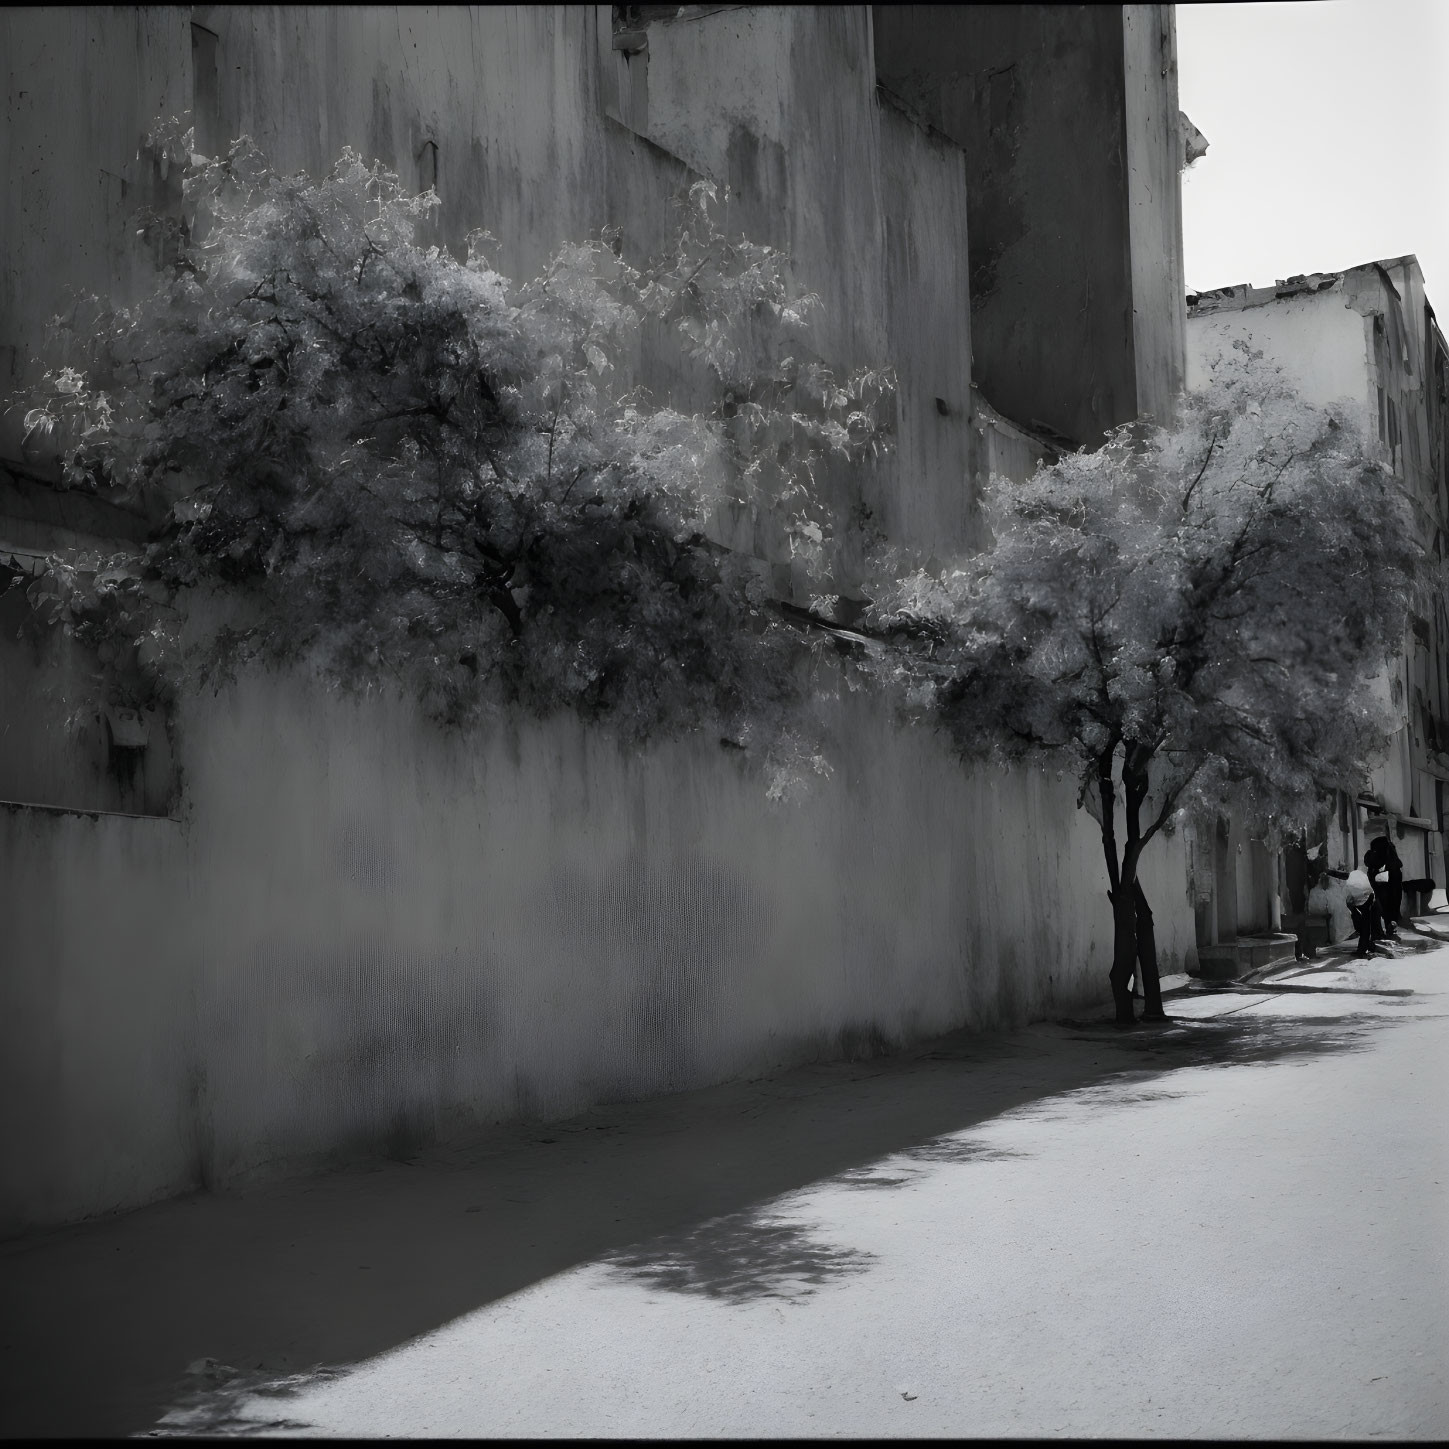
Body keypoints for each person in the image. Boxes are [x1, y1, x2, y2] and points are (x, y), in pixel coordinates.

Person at [1344, 866, 1390, 958]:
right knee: (1366, 925)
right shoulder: (1357, 879)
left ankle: (1364, 948)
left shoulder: (1354, 881)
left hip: (1366, 900)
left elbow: (1350, 902)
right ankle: (1367, 946)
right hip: (1367, 899)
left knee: (1365, 926)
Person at [1364, 834, 1403, 937]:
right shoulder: (1387, 853)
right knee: (1386, 906)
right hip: (1386, 885)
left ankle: (1387, 927)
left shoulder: (1384, 855)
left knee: (1385, 906)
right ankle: (1389, 926)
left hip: (1386, 885)